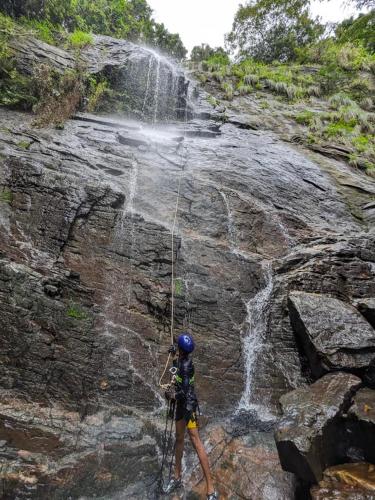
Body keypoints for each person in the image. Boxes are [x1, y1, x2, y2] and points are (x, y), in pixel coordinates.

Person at [164, 333, 218, 499]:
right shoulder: (181, 358)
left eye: (177, 347)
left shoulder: (187, 366)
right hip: (181, 406)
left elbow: (186, 392)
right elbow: (177, 370)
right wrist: (174, 354)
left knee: (196, 442)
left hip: (187, 408)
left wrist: (172, 396)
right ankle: (177, 476)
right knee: (179, 438)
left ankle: (211, 489)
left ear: (182, 349)